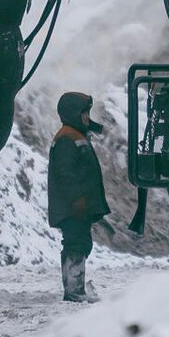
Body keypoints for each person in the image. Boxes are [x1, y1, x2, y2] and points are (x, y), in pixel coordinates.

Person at [47, 91, 108, 303]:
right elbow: (65, 175)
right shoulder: (67, 138)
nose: (86, 117)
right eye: (84, 113)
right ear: (73, 114)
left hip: (77, 206)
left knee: (80, 242)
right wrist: (77, 200)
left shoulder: (75, 134)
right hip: (72, 207)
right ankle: (74, 290)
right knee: (76, 243)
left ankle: (75, 286)